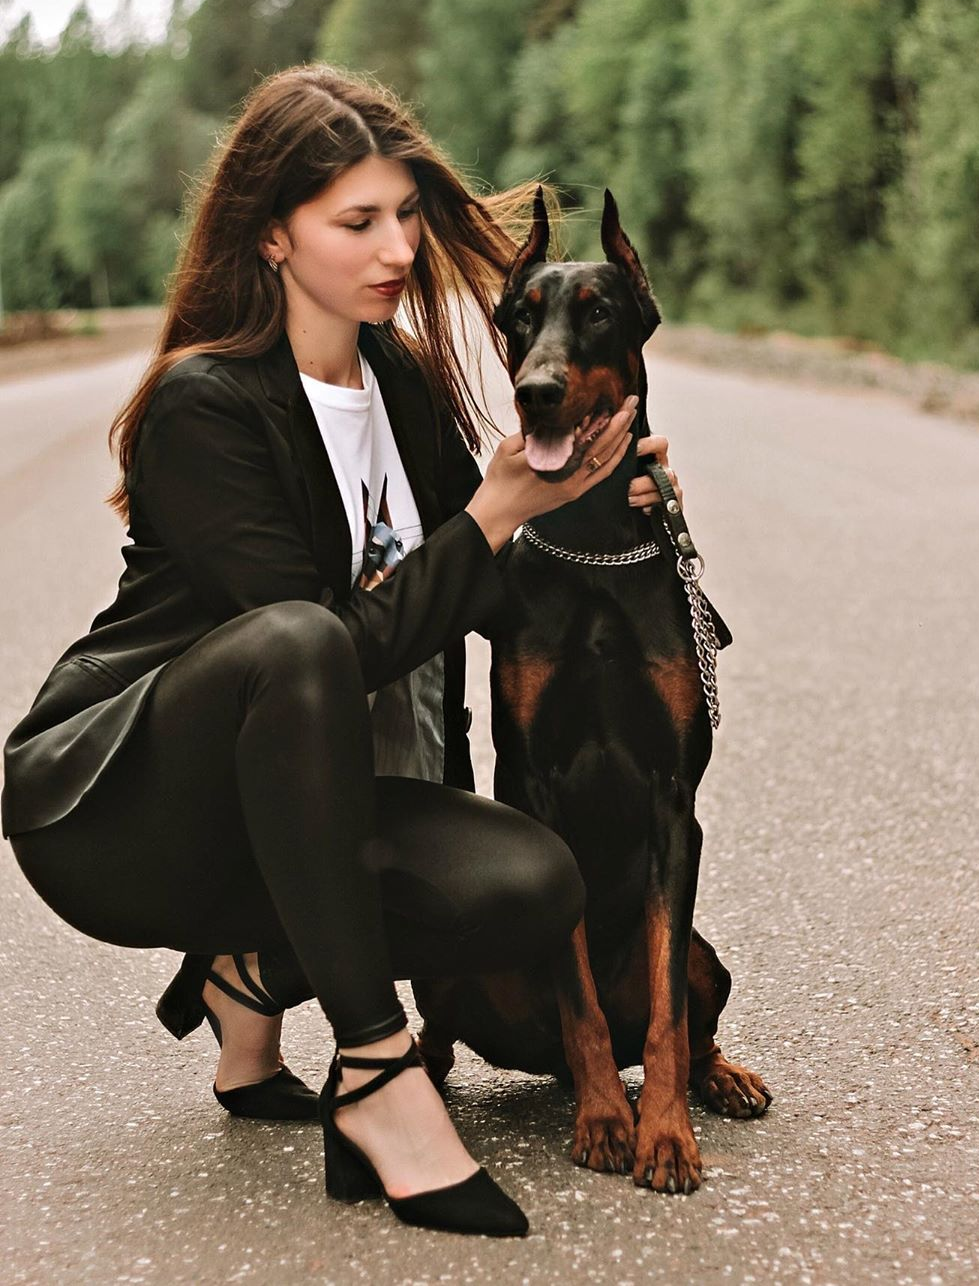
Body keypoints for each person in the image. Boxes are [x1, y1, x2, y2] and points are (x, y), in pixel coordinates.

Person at [0, 65, 679, 1239]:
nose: (399, 248)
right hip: (122, 808)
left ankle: (248, 974)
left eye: (407, 215)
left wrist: (601, 514)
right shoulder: (206, 403)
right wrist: (494, 513)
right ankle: (374, 1069)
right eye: (357, 222)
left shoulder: (398, 382)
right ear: (272, 234)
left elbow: (477, 588)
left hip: (290, 806)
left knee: (530, 883)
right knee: (303, 639)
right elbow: (330, 650)